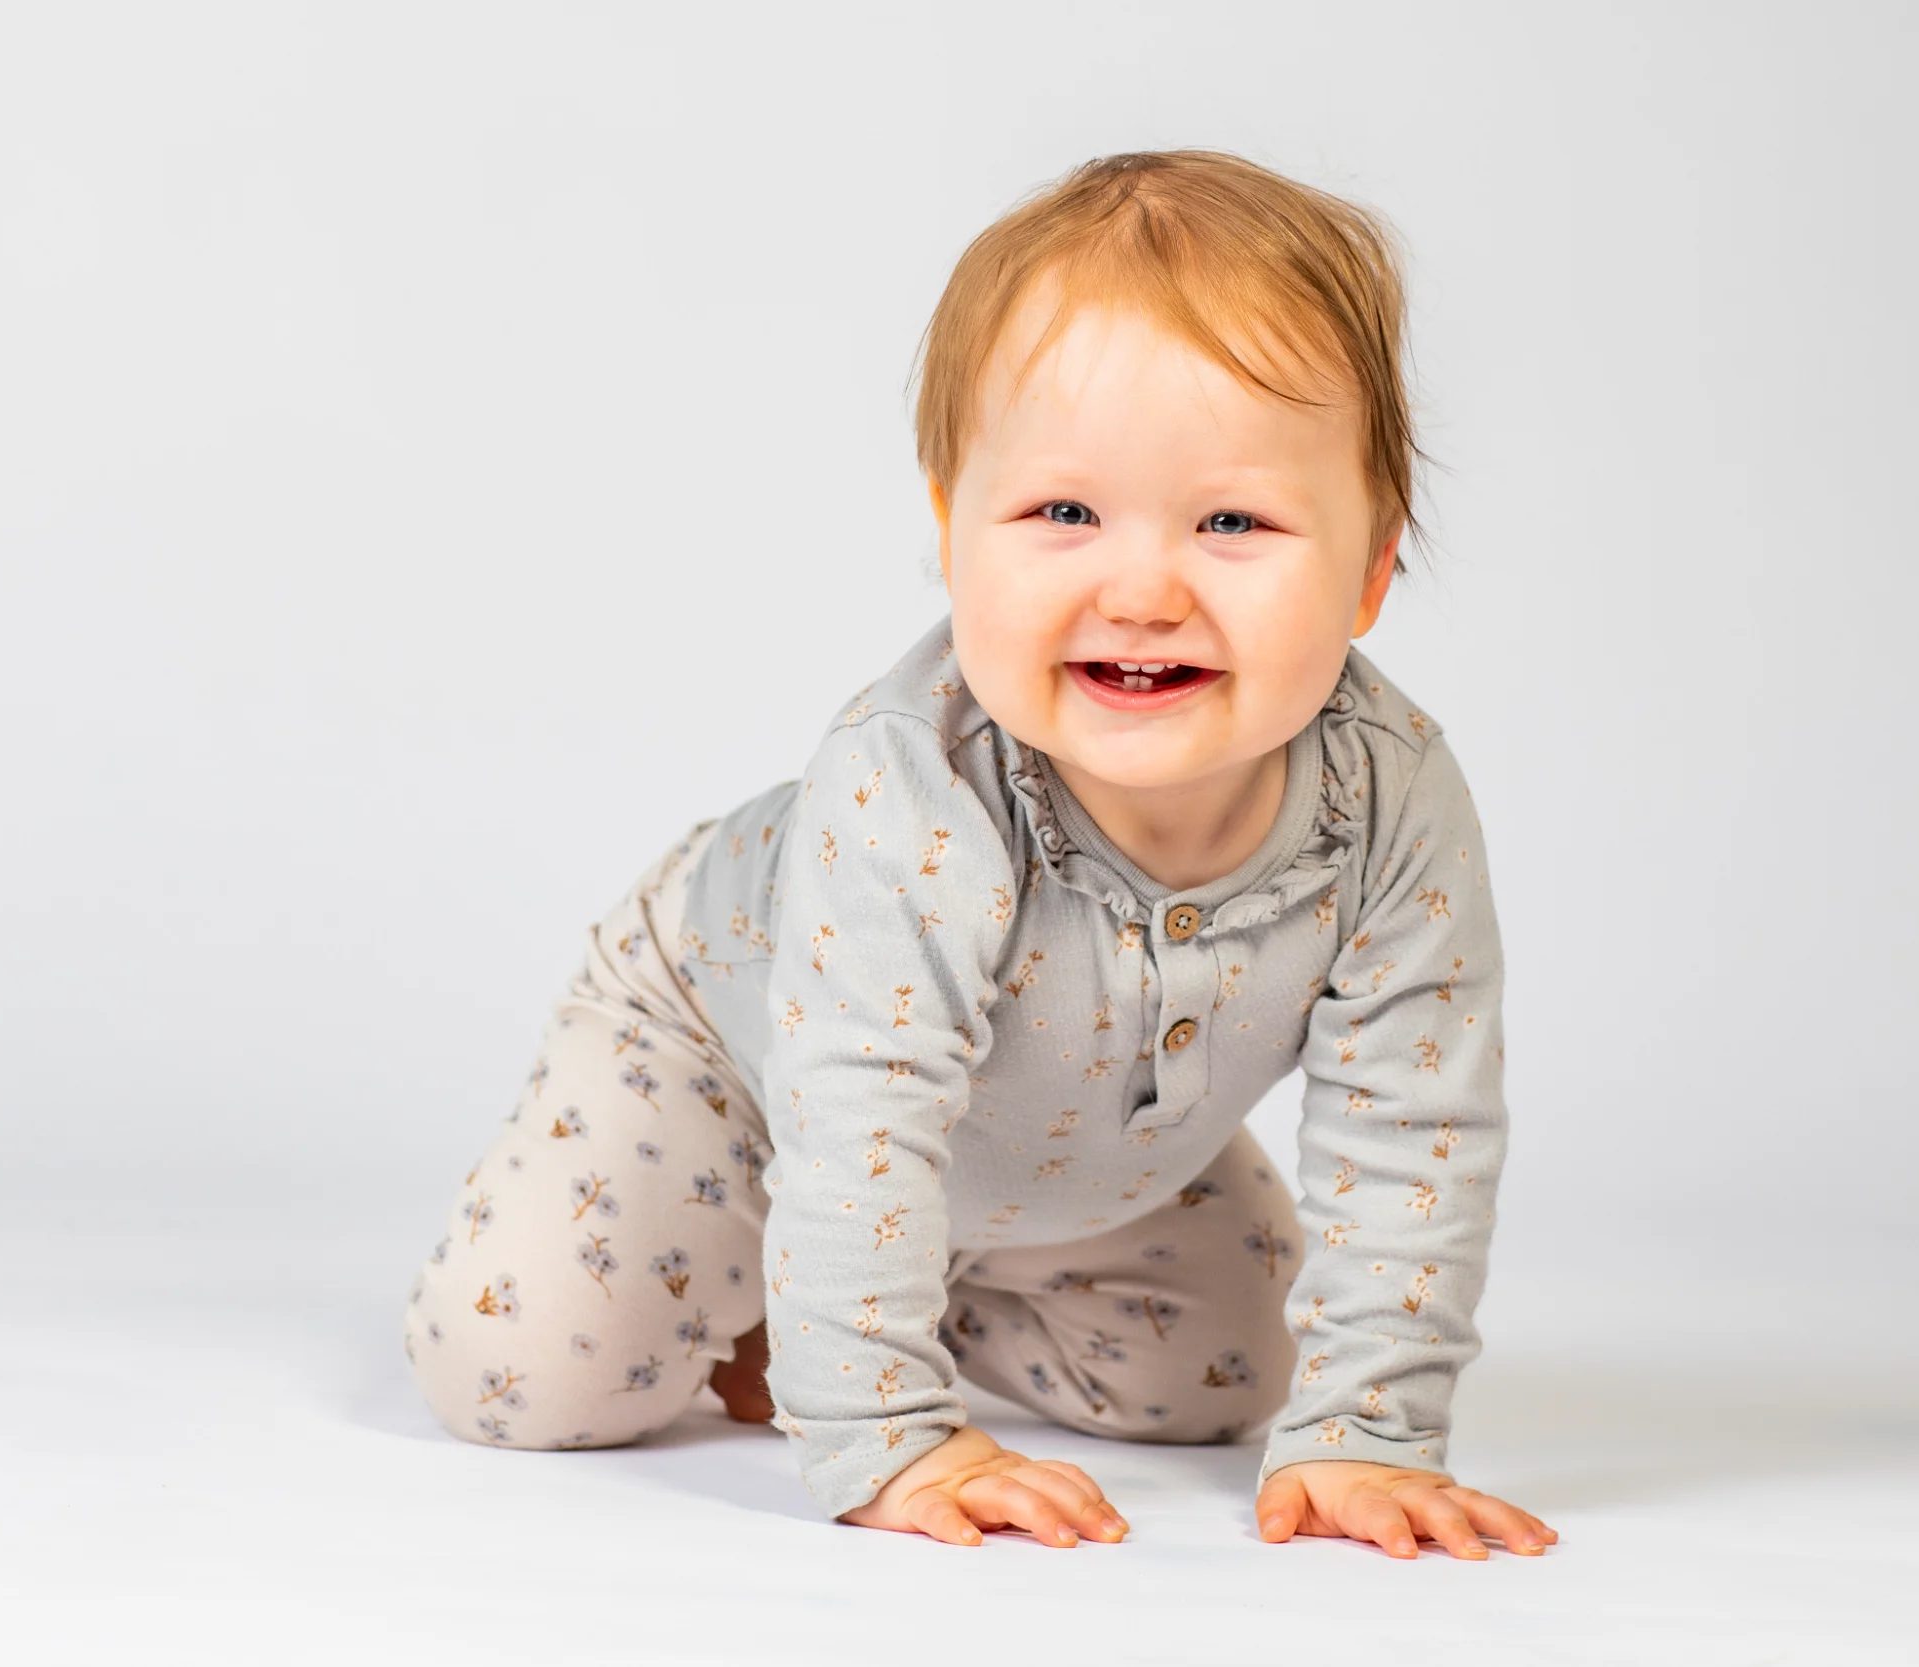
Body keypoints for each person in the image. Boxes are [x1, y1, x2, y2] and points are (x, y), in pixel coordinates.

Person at [402, 148, 1556, 1561]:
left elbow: (1412, 1128)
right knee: (523, 1369)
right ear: (954, 535)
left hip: (1052, 1158)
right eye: (1063, 513)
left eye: (1236, 522)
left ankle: (877, 1276)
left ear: (1373, 567)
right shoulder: (921, 788)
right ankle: (813, 1286)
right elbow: (863, 1114)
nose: (1143, 590)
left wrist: (1370, 1426)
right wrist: (887, 1426)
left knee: (1226, 1384)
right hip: (742, 1058)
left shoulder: (1392, 801)